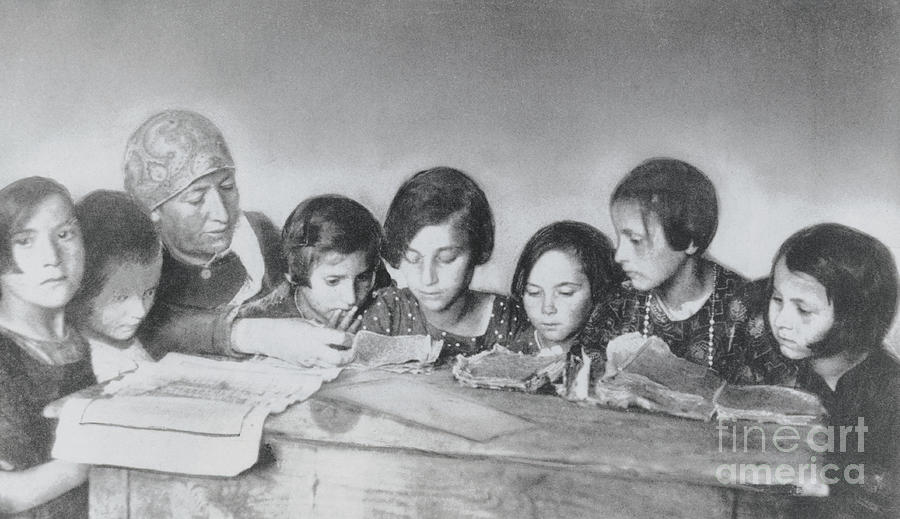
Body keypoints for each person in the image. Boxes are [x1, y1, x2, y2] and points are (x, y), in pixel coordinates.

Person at [123, 110, 352, 366]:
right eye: (197, 199)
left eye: (227, 187)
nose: (222, 214)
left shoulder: (260, 233)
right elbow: (154, 328)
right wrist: (258, 336)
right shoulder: (142, 261)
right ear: (154, 210)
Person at [571, 158, 757, 384]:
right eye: (620, 238)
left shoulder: (747, 307)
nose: (619, 256)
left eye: (636, 240)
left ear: (689, 240)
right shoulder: (618, 303)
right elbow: (579, 373)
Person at [764, 223, 899, 517]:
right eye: (777, 300)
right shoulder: (788, 372)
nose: (782, 321)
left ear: (852, 317)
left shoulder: (891, 396)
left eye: (804, 309)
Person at [360, 167, 535, 365]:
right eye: (413, 258)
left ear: (476, 251)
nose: (428, 278)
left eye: (446, 258)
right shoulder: (388, 312)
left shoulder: (511, 319)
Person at [0, 177, 93, 517]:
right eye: (25, 241)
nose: (52, 257)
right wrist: (97, 454)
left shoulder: (83, 339)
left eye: (65, 235)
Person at [237, 194, 392, 327]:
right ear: (294, 275)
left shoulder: (386, 307)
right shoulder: (264, 320)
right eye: (333, 281)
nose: (351, 299)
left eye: (363, 278)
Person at [67, 190, 160, 382]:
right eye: (121, 297)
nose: (140, 311)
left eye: (149, 292)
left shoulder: (131, 342)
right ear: (82, 290)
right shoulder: (81, 365)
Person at [510, 220, 623, 354]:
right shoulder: (512, 353)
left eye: (565, 293)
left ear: (597, 290)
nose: (547, 309)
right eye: (533, 292)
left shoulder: (616, 350)